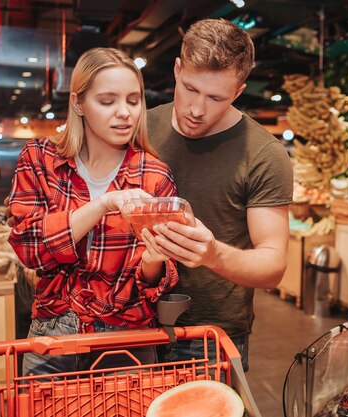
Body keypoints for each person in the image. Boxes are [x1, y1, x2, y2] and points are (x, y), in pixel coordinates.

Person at [8, 47, 179, 376]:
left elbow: (157, 282)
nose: (124, 113)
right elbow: (30, 248)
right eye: (107, 101)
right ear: (78, 103)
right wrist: (103, 204)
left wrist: (155, 259)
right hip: (53, 333)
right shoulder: (41, 160)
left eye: (133, 100)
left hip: (128, 339)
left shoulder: (154, 175)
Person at [145, 18, 293, 370]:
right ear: (177, 69)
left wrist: (213, 254)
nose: (198, 109)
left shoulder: (263, 154)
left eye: (216, 98)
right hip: (130, 324)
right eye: (191, 89)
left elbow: (273, 264)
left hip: (210, 338)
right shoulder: (140, 127)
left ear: (239, 92)